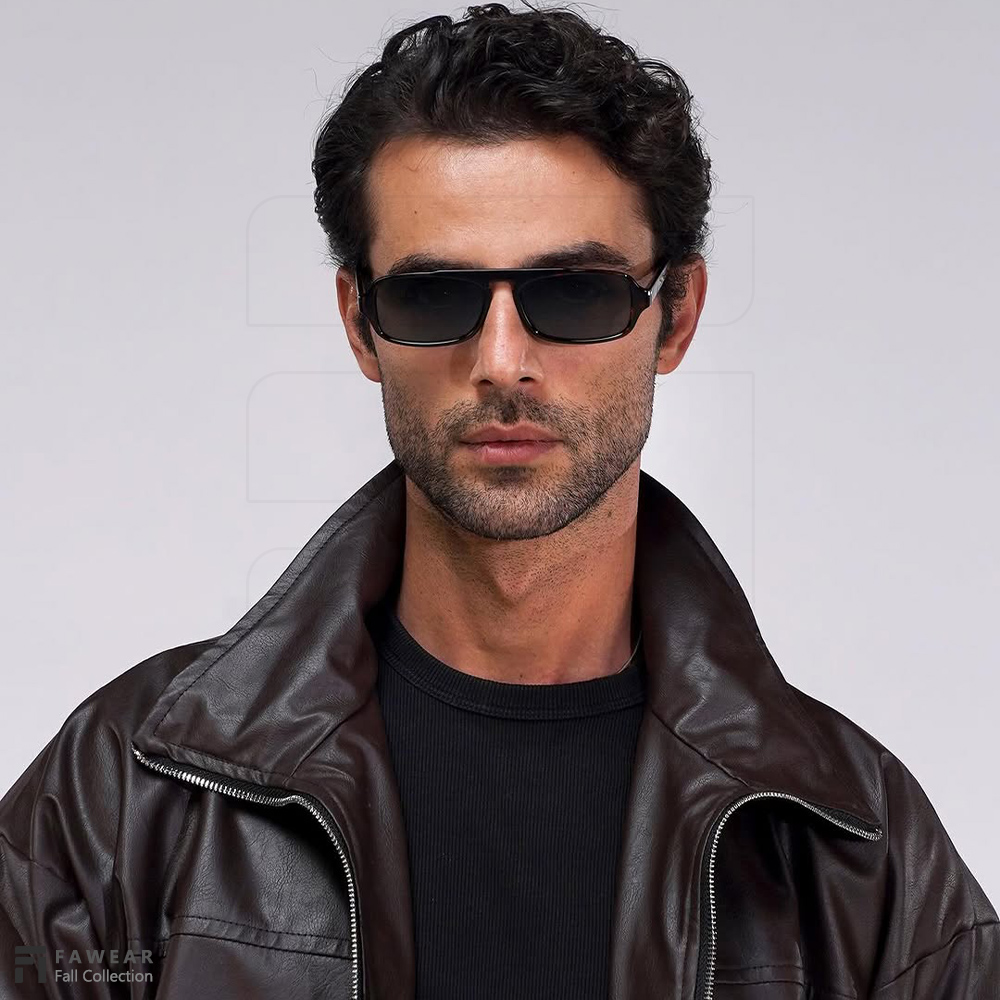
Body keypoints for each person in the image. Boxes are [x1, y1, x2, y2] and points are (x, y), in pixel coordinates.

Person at [2, 3, 997, 998]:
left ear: (677, 315)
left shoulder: (856, 850)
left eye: (574, 293)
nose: (502, 361)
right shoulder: (123, 799)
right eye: (435, 296)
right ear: (359, 323)